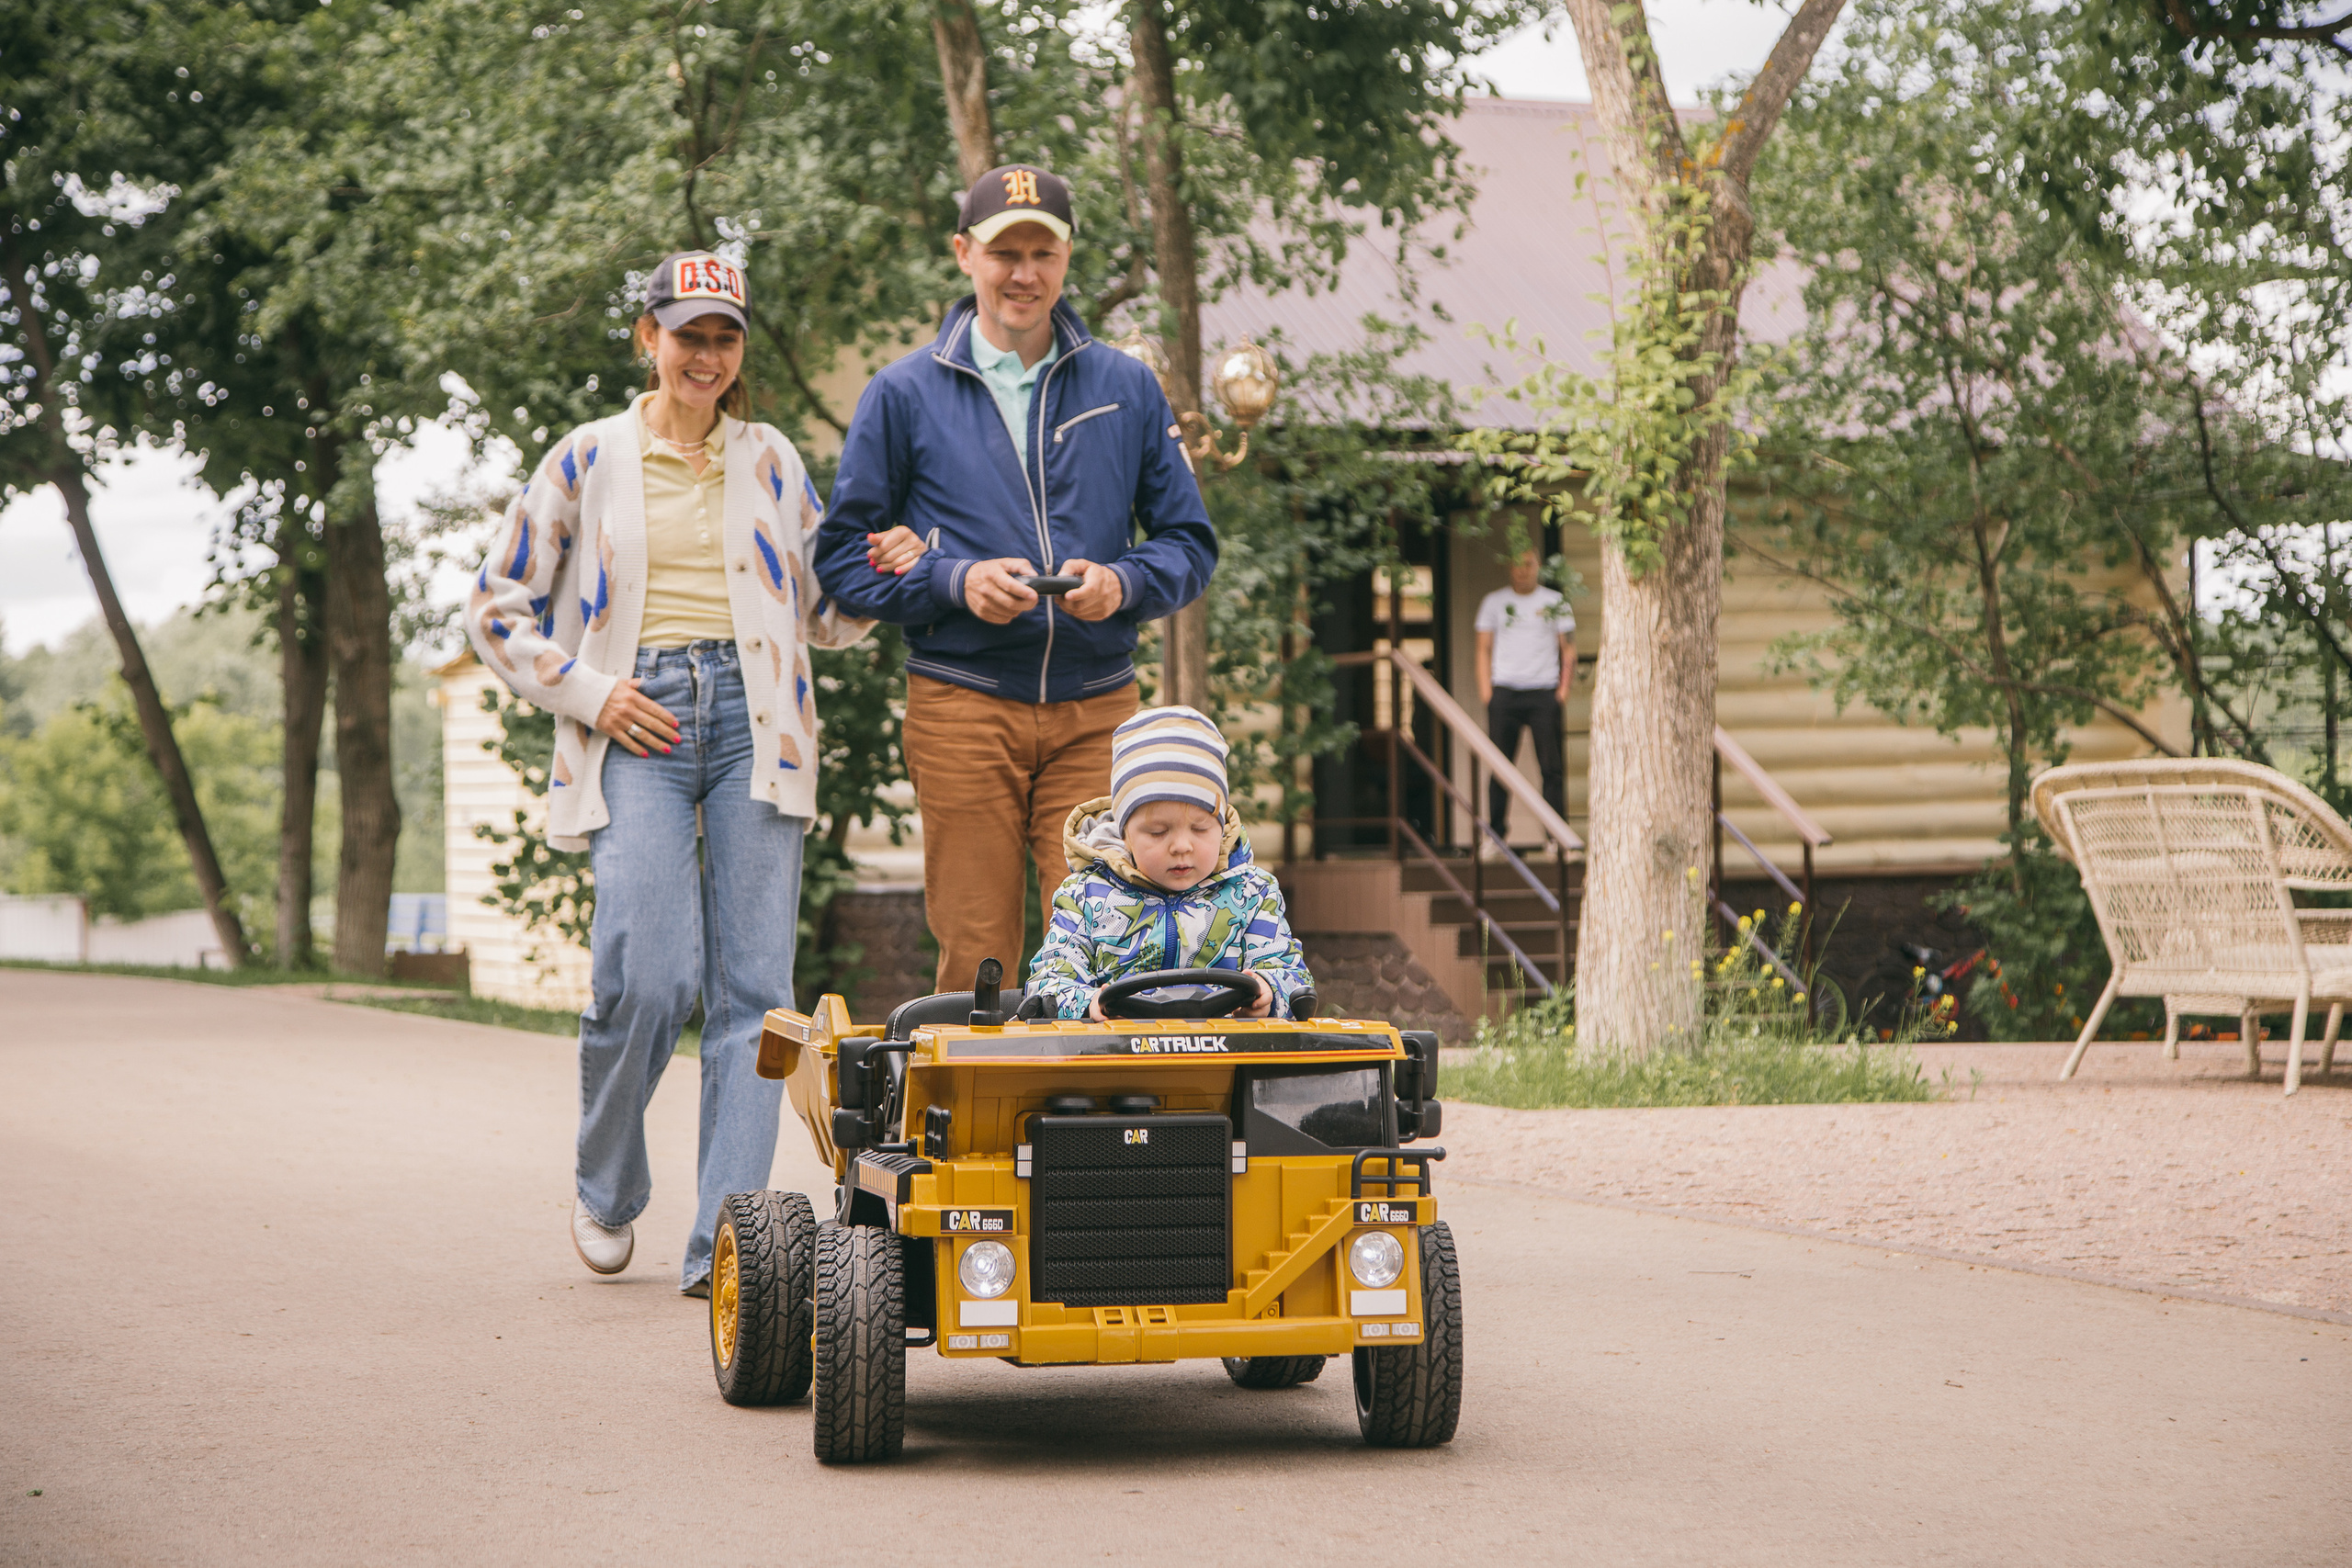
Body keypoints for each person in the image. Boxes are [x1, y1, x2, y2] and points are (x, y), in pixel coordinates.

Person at [464, 250, 927, 1295]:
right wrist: (588, 691)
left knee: (755, 997)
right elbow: (495, 608)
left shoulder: (769, 460)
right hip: (639, 723)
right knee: (646, 975)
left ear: (739, 350)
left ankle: (729, 1250)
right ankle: (605, 1183)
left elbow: (822, 617)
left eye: (724, 336)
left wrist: (884, 577)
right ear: (649, 339)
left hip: (759, 730)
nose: (705, 354)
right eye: (687, 335)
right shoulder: (585, 459)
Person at [812, 163, 1219, 991]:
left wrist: (1124, 583)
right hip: (961, 705)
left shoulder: (1126, 385)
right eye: (1005, 252)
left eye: (1043, 252)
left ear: (1067, 259)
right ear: (965, 253)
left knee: (1110, 938)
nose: (1024, 273)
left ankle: (1103, 1123)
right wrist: (953, 581)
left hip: (1099, 706)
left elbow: (1190, 542)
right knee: (979, 955)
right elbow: (840, 560)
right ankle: (978, 1125)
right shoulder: (903, 393)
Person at [1025, 706, 1312, 1021]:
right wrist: (1087, 1003)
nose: (1181, 846)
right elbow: (1048, 983)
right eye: (1158, 832)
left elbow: (1293, 979)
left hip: (1226, 1057)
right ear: (1125, 836)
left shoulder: (1255, 894)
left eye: (1201, 828)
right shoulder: (1085, 896)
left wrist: (1270, 991)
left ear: (1222, 825)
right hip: (1118, 1058)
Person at [1474, 547, 1577, 842]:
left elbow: (1567, 649)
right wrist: (1487, 693)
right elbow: (1482, 649)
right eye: (1517, 564)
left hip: (1544, 693)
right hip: (1504, 693)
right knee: (1500, 768)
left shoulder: (1555, 602)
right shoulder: (1493, 602)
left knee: (1552, 769)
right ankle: (1495, 837)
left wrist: (1563, 692)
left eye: (1529, 564)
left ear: (1538, 565)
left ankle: (1555, 839)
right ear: (1509, 567)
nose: (1523, 570)